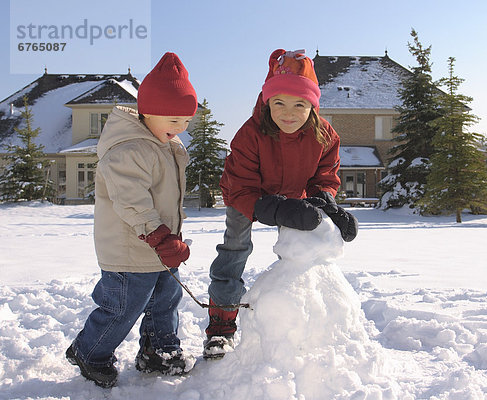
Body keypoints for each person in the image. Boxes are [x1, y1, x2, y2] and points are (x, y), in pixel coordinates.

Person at [204, 49, 358, 360]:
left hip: (293, 195)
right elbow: (240, 187)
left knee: (302, 249)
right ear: (267, 103)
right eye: (279, 104)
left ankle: (302, 317)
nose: (288, 113)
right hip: (245, 195)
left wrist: (324, 200)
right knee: (235, 249)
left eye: (299, 105)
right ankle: (221, 328)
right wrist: (272, 208)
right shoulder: (250, 134)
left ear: (312, 106)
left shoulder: (325, 134)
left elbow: (325, 175)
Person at [65, 52, 197, 388]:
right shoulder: (129, 149)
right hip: (130, 249)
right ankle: (89, 351)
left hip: (160, 247)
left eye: (185, 121)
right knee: (121, 307)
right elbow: (131, 200)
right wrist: (159, 236)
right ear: (146, 112)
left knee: (165, 302)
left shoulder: (162, 143)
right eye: (173, 120)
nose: (180, 128)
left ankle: (159, 351)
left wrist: (169, 239)